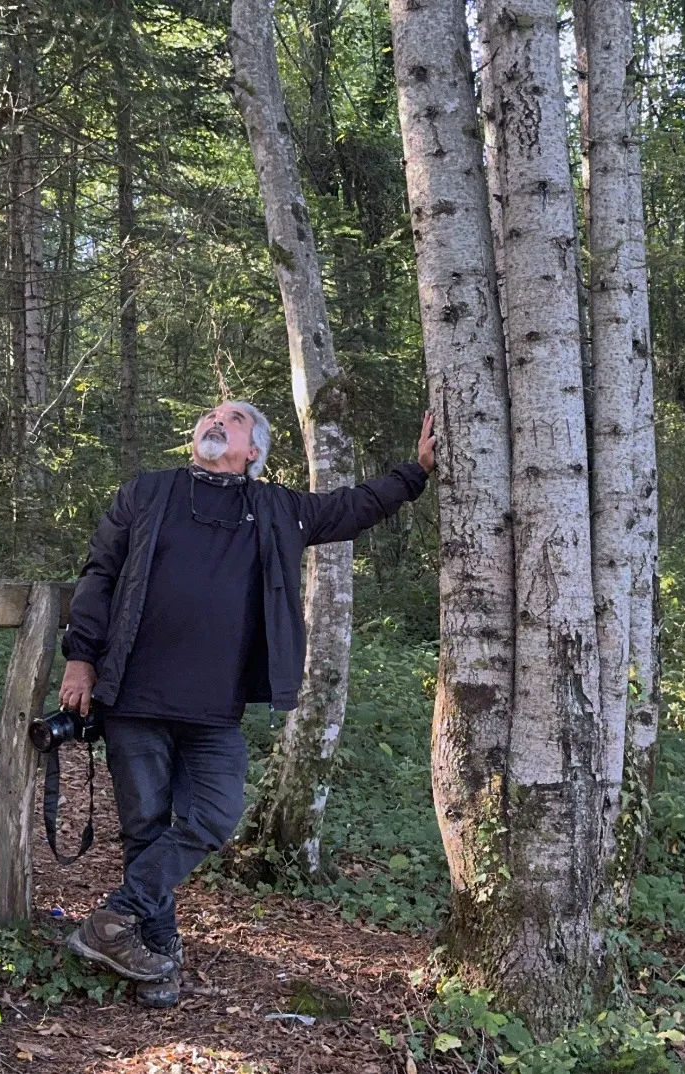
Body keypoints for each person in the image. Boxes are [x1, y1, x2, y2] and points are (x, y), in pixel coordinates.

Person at [58, 402, 436, 1007]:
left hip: (214, 713)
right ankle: (156, 962)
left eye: (232, 419)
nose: (215, 420)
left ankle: (114, 919)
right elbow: (99, 574)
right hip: (134, 697)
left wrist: (415, 471)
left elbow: (352, 506)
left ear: (253, 451)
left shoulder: (275, 509)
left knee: (214, 817)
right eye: (210, 415)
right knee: (145, 829)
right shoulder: (148, 494)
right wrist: (80, 658)